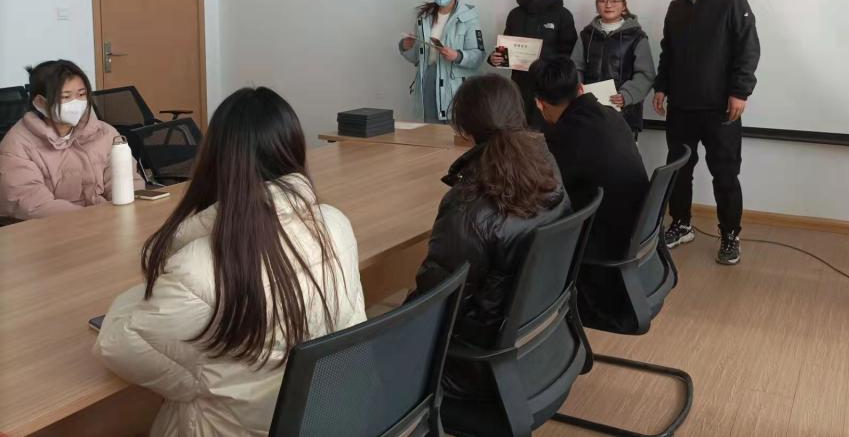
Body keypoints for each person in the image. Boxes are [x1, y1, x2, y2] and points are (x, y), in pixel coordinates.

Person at [94, 87, 365, 436]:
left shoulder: (200, 266)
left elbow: (117, 343)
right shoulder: (335, 223)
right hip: (326, 419)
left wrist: (197, 383)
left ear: (216, 159)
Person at [411, 73, 569, 398]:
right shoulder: (547, 165)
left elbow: (436, 302)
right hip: (537, 334)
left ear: (465, 130)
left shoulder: (468, 205)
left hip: (478, 361)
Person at [653, 0, 760, 265]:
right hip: (681, 107)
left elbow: (748, 49)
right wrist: (661, 87)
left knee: (725, 175)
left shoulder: (733, 1)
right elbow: (668, 52)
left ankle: (730, 235)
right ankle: (682, 224)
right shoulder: (676, 7)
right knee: (679, 171)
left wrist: (740, 91)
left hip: (720, 108)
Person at [531, 57, 651, 329]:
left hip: (605, 267)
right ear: (581, 88)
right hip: (633, 246)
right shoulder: (610, 115)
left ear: (540, 104)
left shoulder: (565, 137)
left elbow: (542, 196)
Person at [0, 59, 143, 220]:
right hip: (55, 228)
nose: (76, 103)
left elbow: (128, 182)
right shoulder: (16, 145)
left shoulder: (104, 132)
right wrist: (93, 219)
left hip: (107, 221)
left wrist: (122, 212)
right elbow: (33, 205)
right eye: (66, 97)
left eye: (81, 94)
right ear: (40, 102)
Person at [488, 0, 577, 128]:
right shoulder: (515, 14)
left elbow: (569, 55)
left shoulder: (562, 15)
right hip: (519, 87)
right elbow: (505, 47)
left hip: (549, 89)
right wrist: (495, 58)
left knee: (544, 135)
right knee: (516, 131)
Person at [399, 0, 486, 124]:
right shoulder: (424, 17)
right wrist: (406, 47)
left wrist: (457, 56)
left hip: (455, 86)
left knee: (455, 133)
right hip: (428, 82)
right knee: (429, 132)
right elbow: (417, 59)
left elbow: (478, 56)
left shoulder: (468, 16)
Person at [570, 0, 656, 137]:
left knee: (622, 153)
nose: (608, 5)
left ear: (624, 6)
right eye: (603, 0)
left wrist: (627, 95)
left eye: (615, 0)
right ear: (597, 5)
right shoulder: (586, 35)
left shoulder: (637, 37)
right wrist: (578, 87)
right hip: (590, 112)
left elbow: (645, 74)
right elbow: (576, 67)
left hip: (625, 115)